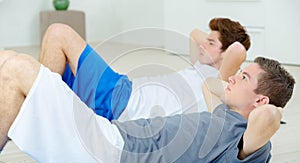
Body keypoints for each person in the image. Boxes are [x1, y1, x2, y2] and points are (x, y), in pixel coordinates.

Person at [0, 50, 295, 163]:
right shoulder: (222, 117)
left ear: (260, 100)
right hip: (105, 137)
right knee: (8, 76)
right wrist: (239, 88)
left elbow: (270, 115)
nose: (232, 77)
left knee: (17, 65)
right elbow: (210, 85)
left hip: (109, 154)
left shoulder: (244, 143)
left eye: (243, 77)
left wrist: (265, 104)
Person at [39, 17, 250, 121]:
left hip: (122, 101)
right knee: (51, 58)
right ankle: (41, 110)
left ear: (226, 53)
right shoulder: (200, 65)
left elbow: (238, 50)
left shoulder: (220, 82)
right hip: (121, 88)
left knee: (59, 32)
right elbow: (195, 33)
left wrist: (229, 41)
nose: (203, 44)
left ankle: (39, 113)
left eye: (211, 43)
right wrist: (214, 40)